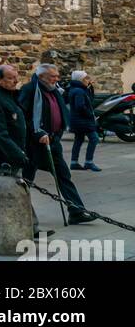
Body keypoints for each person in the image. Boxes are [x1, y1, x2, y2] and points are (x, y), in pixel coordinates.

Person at [18, 62, 96, 225]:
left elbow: (60, 112)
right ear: (41, 77)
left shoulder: (54, 90)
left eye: (57, 76)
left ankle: (76, 211)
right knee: (27, 178)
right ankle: (16, 209)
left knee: (63, 175)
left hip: (52, 143)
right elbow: (22, 117)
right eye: (52, 76)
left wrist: (58, 133)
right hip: (33, 144)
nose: (56, 79)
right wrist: (37, 133)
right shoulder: (30, 90)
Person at [66, 70, 101, 173]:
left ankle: (74, 162)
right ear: (80, 79)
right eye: (86, 78)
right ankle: (89, 162)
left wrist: (90, 87)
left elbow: (90, 99)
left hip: (77, 120)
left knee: (79, 140)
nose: (88, 80)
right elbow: (80, 106)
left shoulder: (78, 89)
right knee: (94, 138)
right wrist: (90, 114)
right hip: (83, 120)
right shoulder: (79, 91)